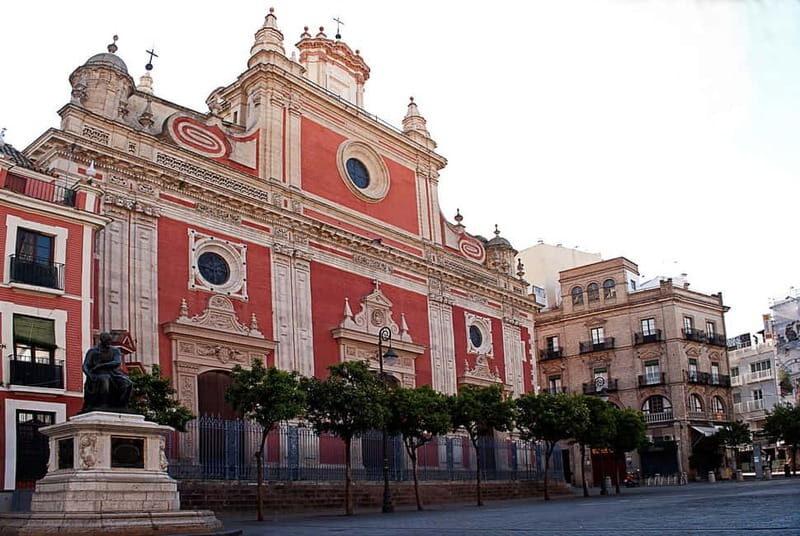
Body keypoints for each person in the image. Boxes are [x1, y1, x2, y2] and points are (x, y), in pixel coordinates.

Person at [81, 332, 132, 412]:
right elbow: (85, 366)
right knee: (105, 379)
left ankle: (122, 404)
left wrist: (101, 365)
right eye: (107, 340)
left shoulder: (115, 350)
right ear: (102, 340)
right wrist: (89, 375)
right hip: (98, 373)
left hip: (113, 373)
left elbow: (117, 362)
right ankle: (103, 403)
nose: (109, 342)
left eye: (110, 340)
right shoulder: (92, 351)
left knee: (127, 382)